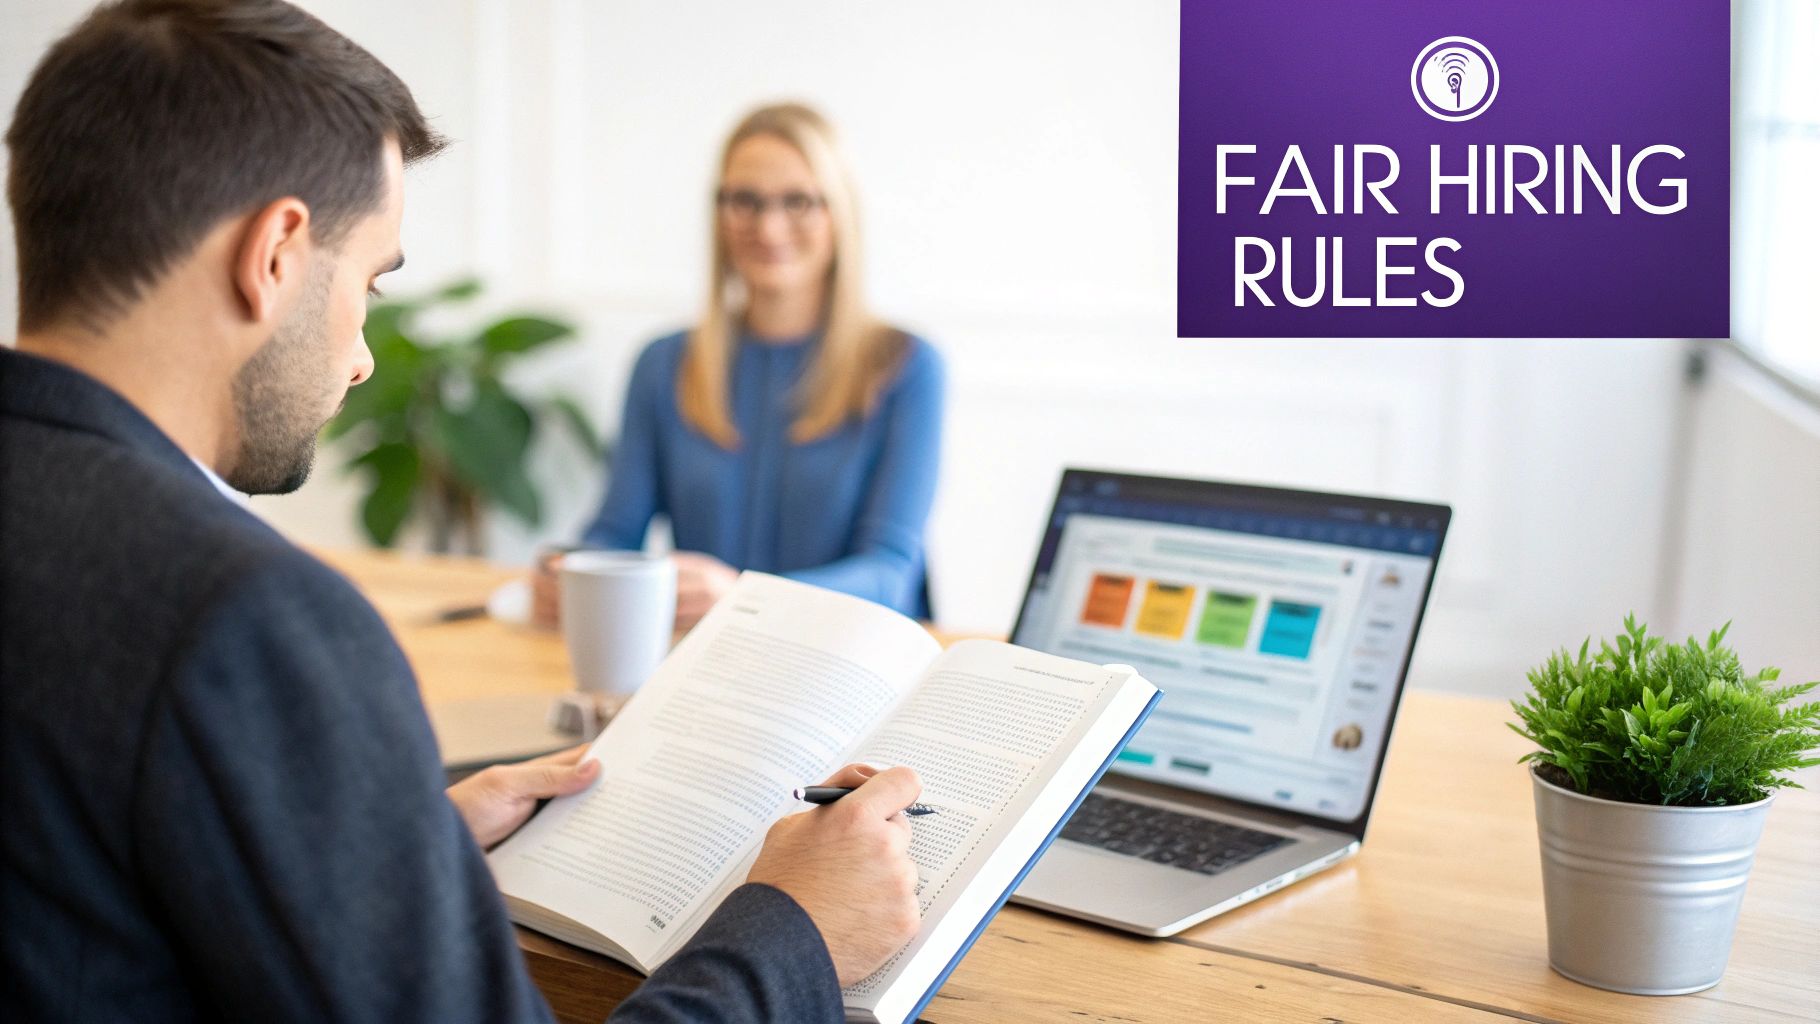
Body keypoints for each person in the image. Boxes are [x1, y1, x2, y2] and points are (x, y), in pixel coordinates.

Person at [0, 3, 920, 1021]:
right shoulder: (247, 620)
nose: (360, 357)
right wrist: (790, 927)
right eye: (372, 282)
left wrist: (394, 858)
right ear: (274, 255)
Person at [539, 104, 944, 632]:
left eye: (798, 201)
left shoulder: (906, 368)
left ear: (839, 213)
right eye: (744, 201)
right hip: (705, 664)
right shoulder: (664, 364)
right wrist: (569, 568)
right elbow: (615, 532)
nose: (768, 227)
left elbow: (890, 576)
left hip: (843, 661)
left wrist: (745, 598)